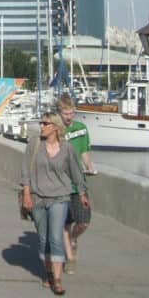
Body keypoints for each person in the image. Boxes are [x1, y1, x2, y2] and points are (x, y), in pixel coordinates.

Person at [20, 111, 89, 296]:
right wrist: (26, 194)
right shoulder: (34, 144)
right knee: (43, 239)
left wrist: (82, 192)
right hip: (37, 197)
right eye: (41, 123)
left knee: (56, 237)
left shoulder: (67, 149)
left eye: (45, 124)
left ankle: (57, 280)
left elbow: (76, 171)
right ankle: (48, 273)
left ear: (56, 128)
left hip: (60, 197)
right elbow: (25, 170)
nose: (41, 126)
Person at [57, 93, 95, 274]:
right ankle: (70, 258)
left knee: (83, 222)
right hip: (61, 184)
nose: (69, 117)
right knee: (65, 223)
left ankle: (73, 239)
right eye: (66, 113)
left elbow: (84, 151)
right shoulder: (56, 132)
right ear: (59, 113)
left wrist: (89, 165)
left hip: (79, 184)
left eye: (72, 113)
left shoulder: (81, 129)